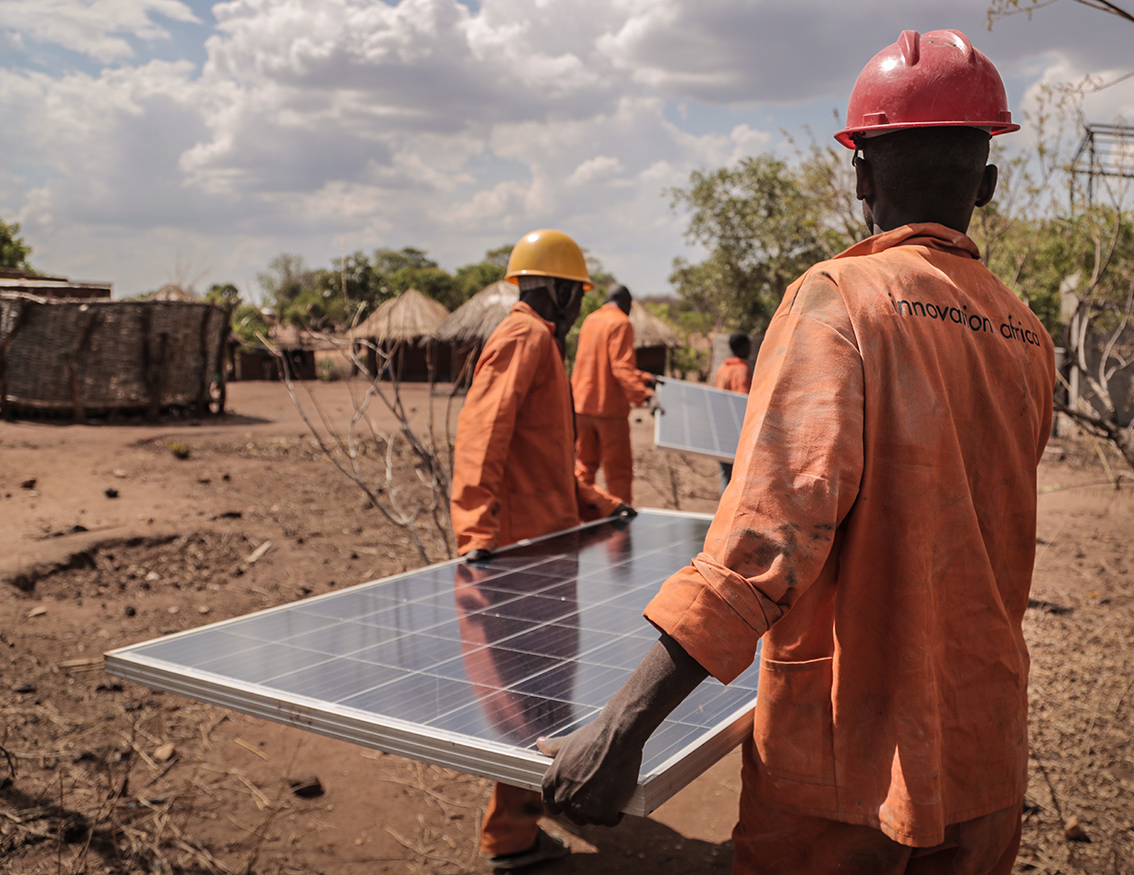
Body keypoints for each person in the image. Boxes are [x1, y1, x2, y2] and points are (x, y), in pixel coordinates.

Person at [538, 29, 1055, 875]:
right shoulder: (1027, 335)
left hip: (846, 767)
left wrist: (622, 724)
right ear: (988, 184)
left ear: (860, 173)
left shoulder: (840, 300)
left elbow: (766, 541)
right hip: (985, 753)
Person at [450, 227, 634, 871]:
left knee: (547, 693)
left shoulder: (542, 344)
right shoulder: (525, 337)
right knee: (524, 699)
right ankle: (511, 837)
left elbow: (550, 460)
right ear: (559, 291)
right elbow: (483, 433)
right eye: (576, 294)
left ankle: (530, 807)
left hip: (547, 554)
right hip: (519, 559)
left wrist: (599, 503)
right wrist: (475, 533)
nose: (578, 306)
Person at [570, 283, 656, 505]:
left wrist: (644, 377)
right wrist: (645, 395)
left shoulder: (591, 320)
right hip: (608, 411)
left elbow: (602, 362)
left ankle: (580, 513)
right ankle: (621, 522)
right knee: (617, 473)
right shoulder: (621, 322)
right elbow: (620, 367)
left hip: (581, 405)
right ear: (627, 304)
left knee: (585, 466)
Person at [712, 331, 752, 490]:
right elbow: (741, 401)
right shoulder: (741, 370)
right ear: (742, 347)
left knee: (725, 473)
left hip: (721, 426)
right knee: (735, 477)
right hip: (735, 429)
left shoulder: (723, 367)